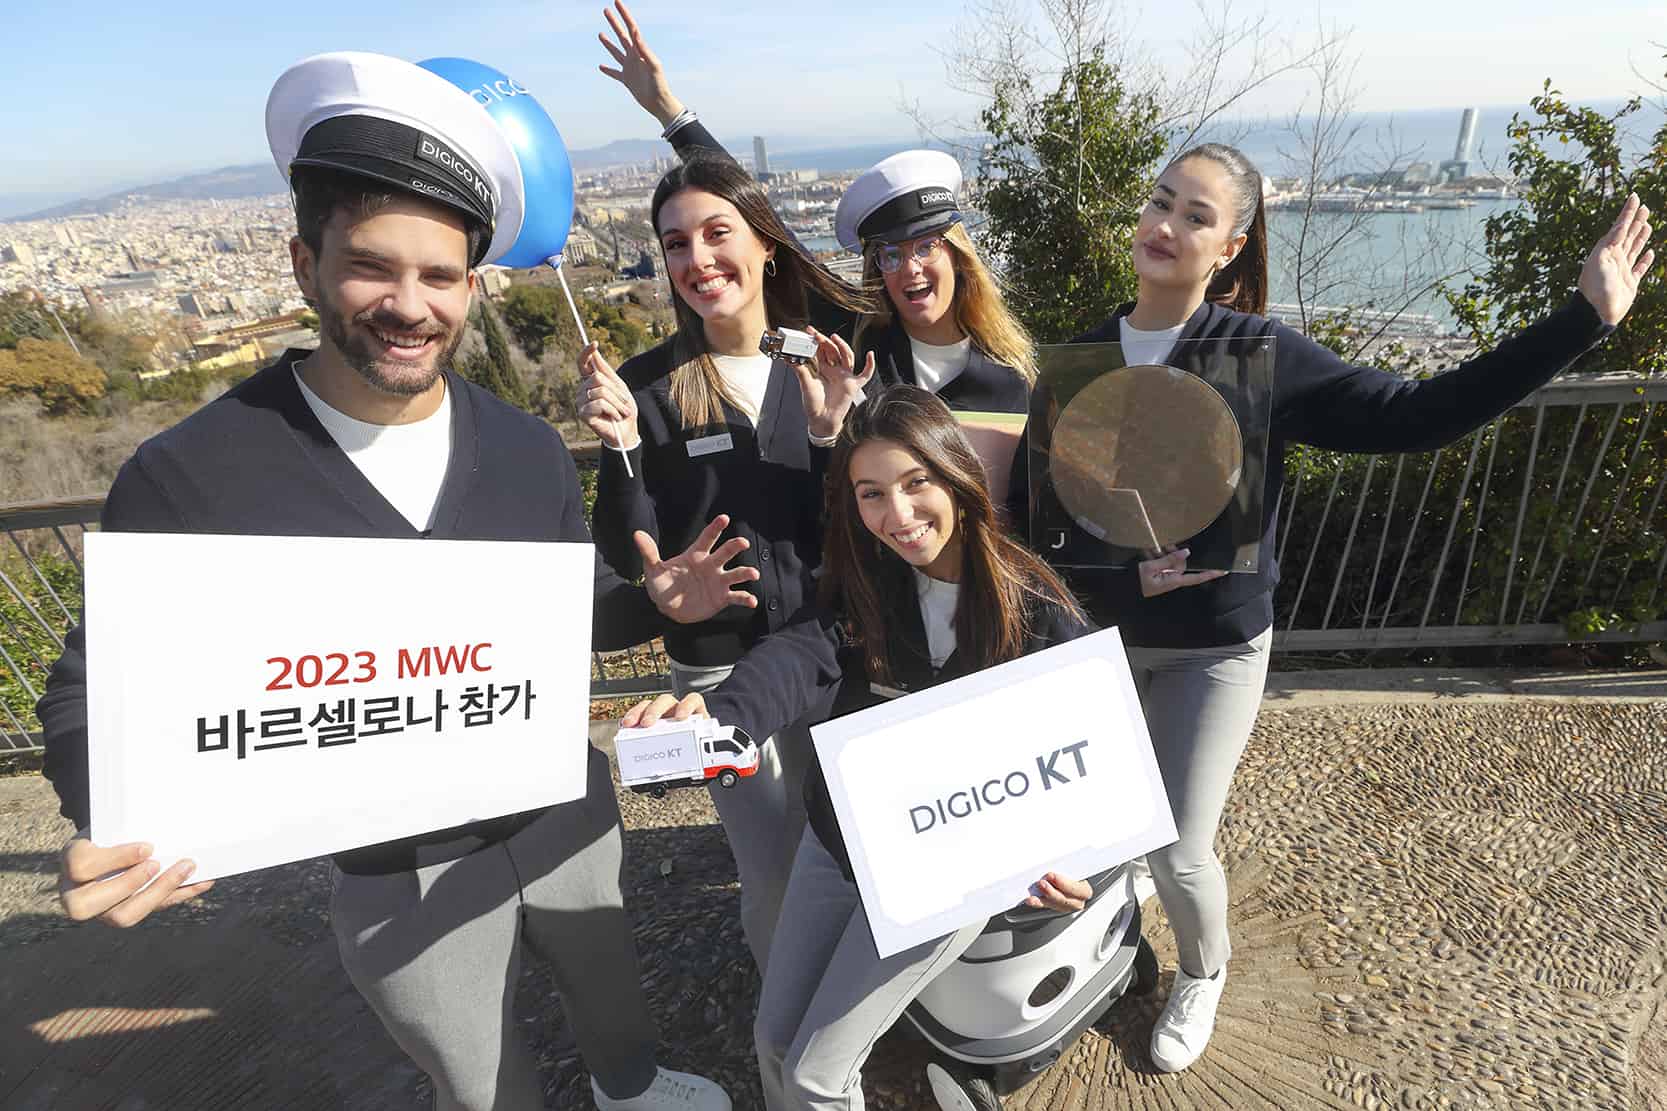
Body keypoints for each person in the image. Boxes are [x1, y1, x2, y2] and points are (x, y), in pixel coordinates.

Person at [36, 51, 749, 1111]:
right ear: (303, 263)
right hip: (388, 862)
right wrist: (113, 807)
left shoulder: (523, 451)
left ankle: (632, 1088)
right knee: (474, 1072)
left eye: (441, 276)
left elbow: (554, 621)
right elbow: (91, 688)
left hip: (558, 801)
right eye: (373, 267)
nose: (410, 306)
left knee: (611, 992)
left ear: (473, 284)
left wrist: (648, 601)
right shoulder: (194, 473)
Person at [1017, 142, 1656, 1074]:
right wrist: (1120, 584)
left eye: (1196, 216)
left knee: (1178, 846)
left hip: (1210, 648)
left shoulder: (1254, 356)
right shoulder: (1079, 359)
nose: (1165, 225)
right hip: (1105, 644)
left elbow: (1414, 415)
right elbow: (1051, 525)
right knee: (1103, 826)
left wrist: (1581, 319)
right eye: (1160, 202)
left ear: (1229, 248)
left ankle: (1203, 967)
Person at [622, 386, 1097, 1110]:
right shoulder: (863, 586)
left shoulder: (1035, 608)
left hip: (948, 867)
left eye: (916, 483)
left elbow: (1091, 751)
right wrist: (713, 719)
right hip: (839, 839)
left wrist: (1080, 854)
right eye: (871, 493)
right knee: (774, 1039)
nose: (897, 515)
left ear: (957, 477)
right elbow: (795, 657)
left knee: (818, 1075)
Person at [576, 148, 876, 974]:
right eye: (676, 243)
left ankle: (856, 992)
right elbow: (626, 548)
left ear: (766, 243)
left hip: (826, 652)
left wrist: (832, 434)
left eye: (717, 233)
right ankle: (786, 1011)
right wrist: (622, 451)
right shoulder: (649, 386)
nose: (698, 259)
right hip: (714, 669)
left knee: (850, 844)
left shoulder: (821, 363)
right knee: (771, 870)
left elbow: (859, 525)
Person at [595, 0, 1036, 418]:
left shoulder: (1012, 375)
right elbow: (766, 223)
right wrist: (670, 112)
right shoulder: (857, 348)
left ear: (957, 255)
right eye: (890, 255)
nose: (911, 268)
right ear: (876, 269)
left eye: (926, 246)